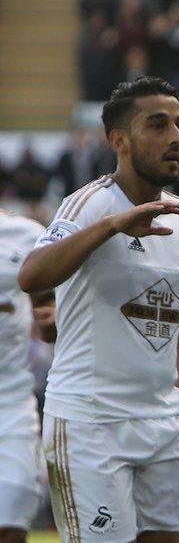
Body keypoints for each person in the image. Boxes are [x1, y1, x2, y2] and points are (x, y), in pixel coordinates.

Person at [18, 76, 179, 542]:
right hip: (90, 423)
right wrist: (111, 227)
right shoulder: (88, 205)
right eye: (158, 125)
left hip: (165, 423)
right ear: (118, 140)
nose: (176, 137)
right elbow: (32, 275)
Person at [0, 210, 53, 543]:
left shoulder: (26, 234)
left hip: (11, 403)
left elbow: (50, 305)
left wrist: (51, 321)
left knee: (11, 524)